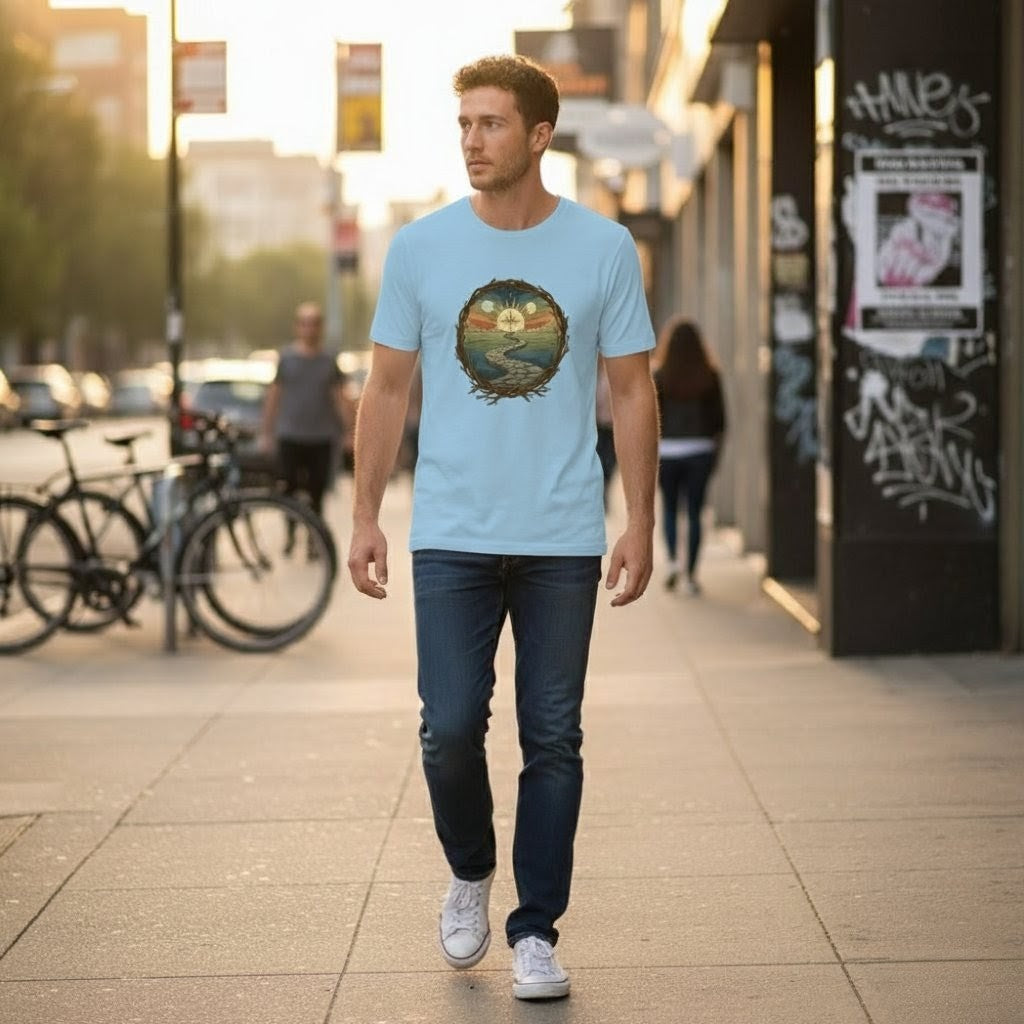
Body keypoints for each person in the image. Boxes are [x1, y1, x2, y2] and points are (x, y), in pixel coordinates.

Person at [347, 55, 658, 1002]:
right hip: (450, 533)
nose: (473, 141)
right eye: (465, 125)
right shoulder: (421, 249)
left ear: (538, 135)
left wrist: (640, 522)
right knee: (447, 731)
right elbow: (388, 387)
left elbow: (633, 387)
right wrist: (364, 513)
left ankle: (536, 930)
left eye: (491, 124)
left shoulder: (603, 249)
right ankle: (472, 868)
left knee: (552, 737)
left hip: (563, 533)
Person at [260, 301, 353, 549]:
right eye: (304, 323)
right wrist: (267, 432)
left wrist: (350, 432)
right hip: (290, 434)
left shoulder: (329, 360)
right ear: (297, 327)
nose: (309, 329)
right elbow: (274, 396)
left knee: (317, 493)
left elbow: (340, 397)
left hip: (321, 437)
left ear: (320, 328)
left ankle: (314, 539)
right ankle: (290, 534)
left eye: (314, 324)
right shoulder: (286, 358)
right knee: (288, 489)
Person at [653, 317, 726, 594]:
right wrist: (714, 456)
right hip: (700, 452)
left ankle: (672, 562)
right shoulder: (710, 376)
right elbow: (721, 421)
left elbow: (652, 419)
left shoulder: (659, 377)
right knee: (695, 513)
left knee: (670, 509)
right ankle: (691, 574)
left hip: (667, 452)